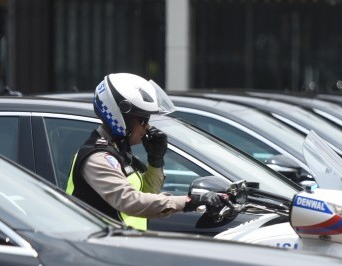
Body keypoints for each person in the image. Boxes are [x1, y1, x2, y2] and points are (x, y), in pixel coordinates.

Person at [67, 72, 228, 230]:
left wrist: (155, 160)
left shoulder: (119, 152)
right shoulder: (98, 157)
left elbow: (148, 194)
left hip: (124, 244)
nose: (147, 127)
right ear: (121, 118)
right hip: (96, 248)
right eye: (143, 120)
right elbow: (131, 201)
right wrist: (190, 201)